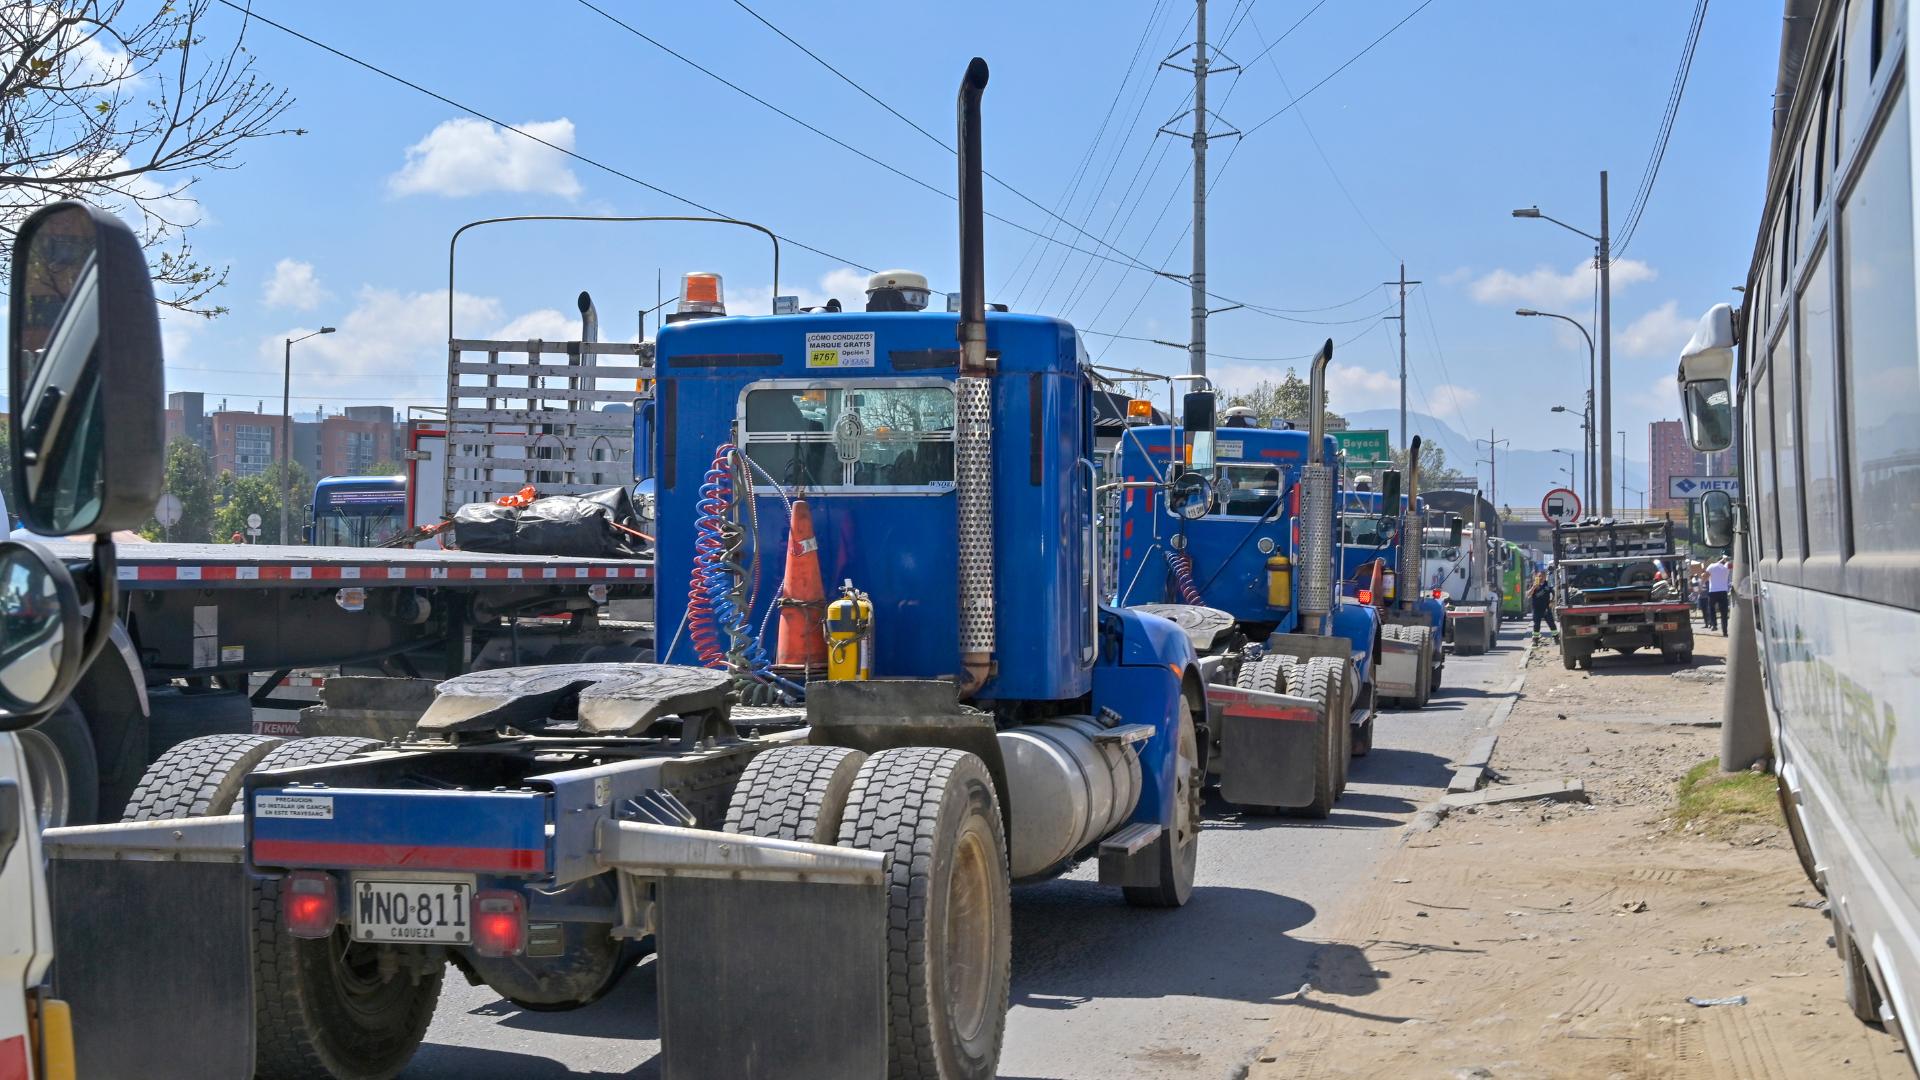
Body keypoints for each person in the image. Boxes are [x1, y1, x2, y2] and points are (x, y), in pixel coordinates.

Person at [1706, 555, 1732, 635]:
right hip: (1723, 591)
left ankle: (1714, 624)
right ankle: (1725, 631)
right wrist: (1726, 559)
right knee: (1724, 613)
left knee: (1711, 609)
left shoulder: (1711, 566)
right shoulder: (1726, 567)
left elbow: (1706, 574)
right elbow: (1731, 564)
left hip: (1713, 591)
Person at [1529, 570, 1556, 637]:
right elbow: (1528, 595)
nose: (1541, 578)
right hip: (1537, 609)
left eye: (1543, 576)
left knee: (1551, 623)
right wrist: (1533, 587)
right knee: (1536, 625)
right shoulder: (1534, 585)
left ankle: (1555, 637)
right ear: (1537, 577)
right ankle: (1535, 639)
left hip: (1546, 608)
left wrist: (1552, 601)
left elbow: (1553, 593)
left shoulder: (1548, 585)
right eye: (1539, 576)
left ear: (1545, 577)